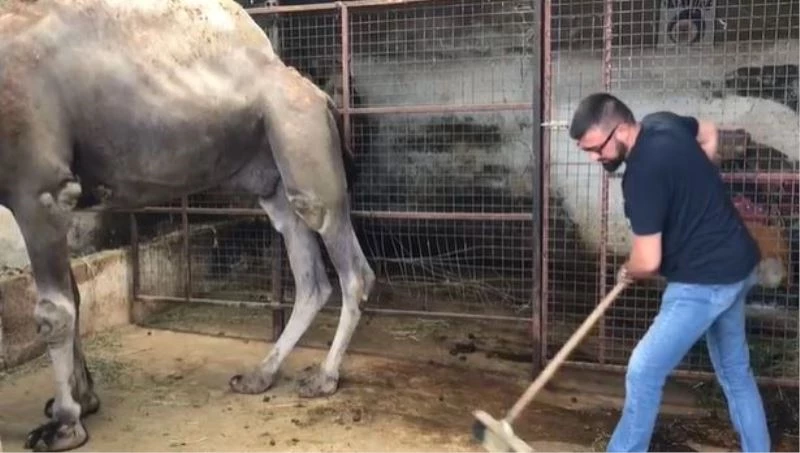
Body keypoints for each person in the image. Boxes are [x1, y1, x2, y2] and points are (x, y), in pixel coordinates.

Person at [568, 92, 771, 452]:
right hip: (738, 266)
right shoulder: (664, 122)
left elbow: (648, 261)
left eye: (597, 148)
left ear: (621, 129)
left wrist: (628, 269)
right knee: (736, 374)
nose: (595, 158)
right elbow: (708, 132)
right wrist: (698, 189)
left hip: (703, 283)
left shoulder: (642, 176)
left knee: (643, 370)